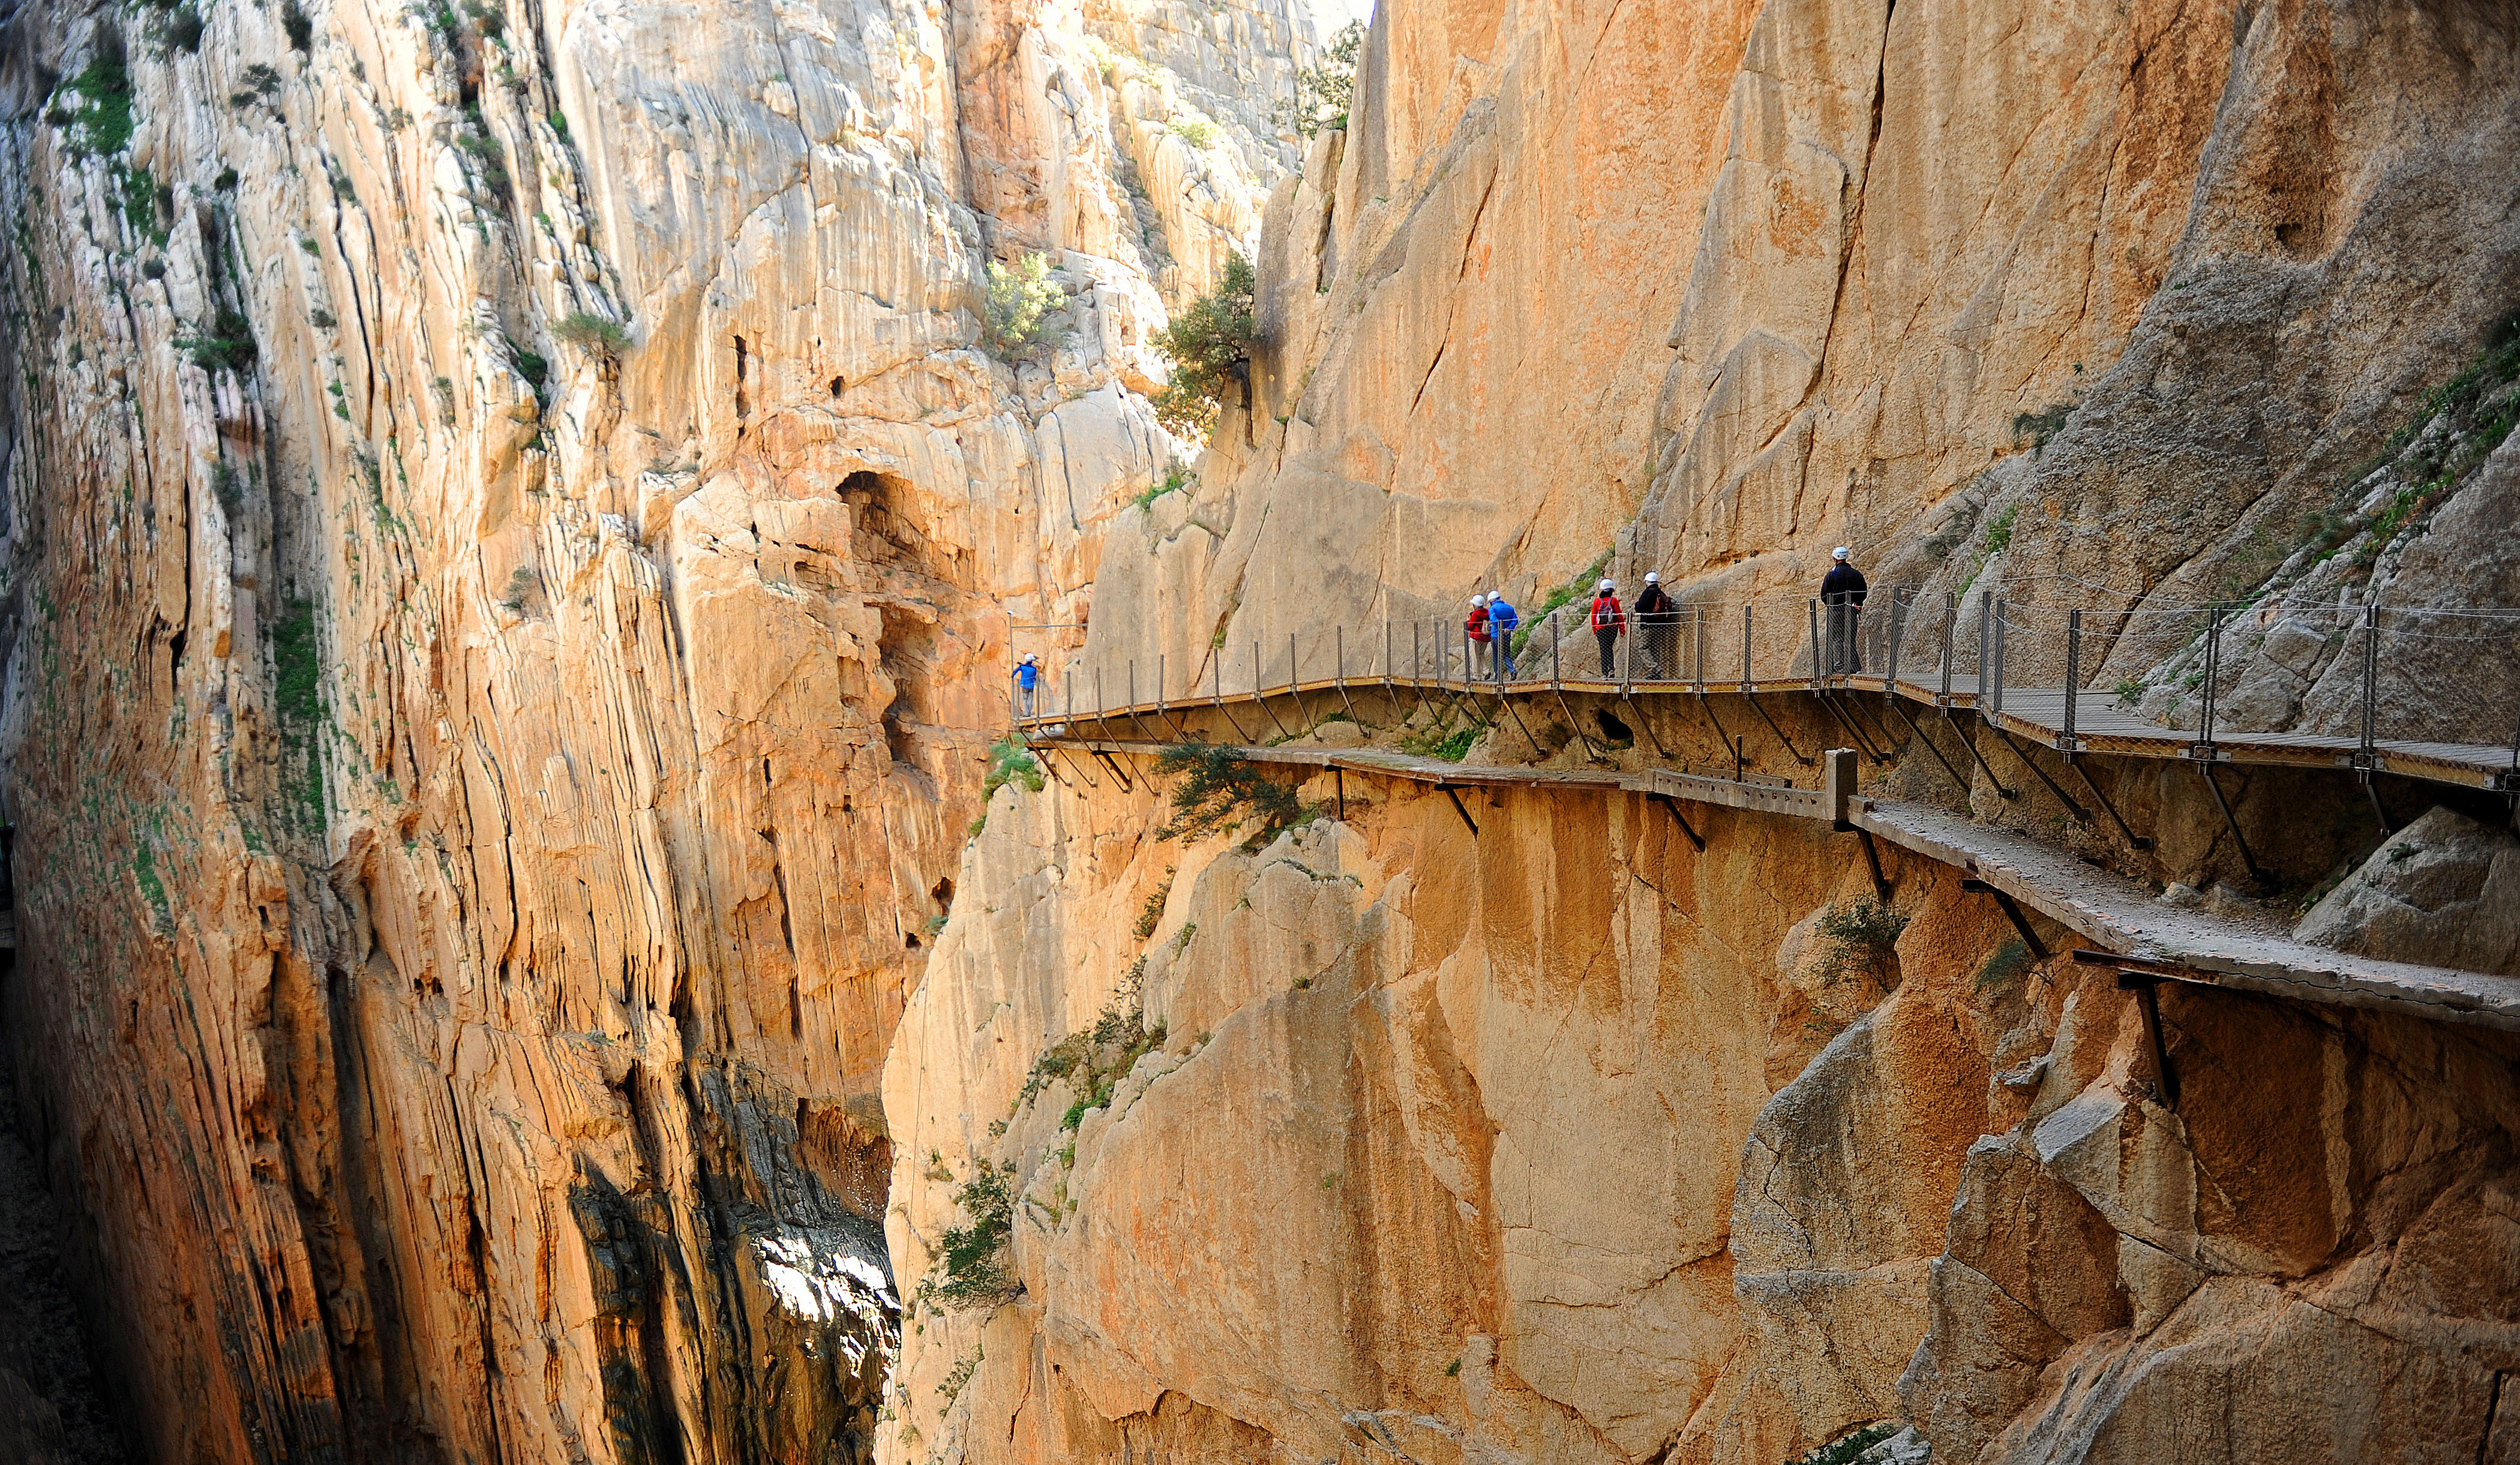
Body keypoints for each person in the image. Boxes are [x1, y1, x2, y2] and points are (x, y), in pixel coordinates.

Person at [1822, 546, 1867, 676]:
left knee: (1837, 638)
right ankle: (1855, 667)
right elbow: (1863, 592)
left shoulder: (1832, 575)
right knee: (1850, 638)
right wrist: (1857, 603)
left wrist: (1830, 604)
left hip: (1835, 610)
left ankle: (1840, 667)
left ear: (1835, 558)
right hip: (1852, 609)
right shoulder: (1856, 574)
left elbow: (1824, 594)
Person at [1634, 571, 1676, 679]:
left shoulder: (1648, 593)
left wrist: (1637, 603)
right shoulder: (1659, 592)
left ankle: (1654, 668)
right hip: (1659, 625)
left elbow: (1640, 608)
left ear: (1647, 582)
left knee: (1643, 647)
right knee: (1653, 648)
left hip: (1648, 624)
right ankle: (1655, 673)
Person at [1588, 578, 1625, 677]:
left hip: (1601, 628)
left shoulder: (1597, 601)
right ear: (1611, 590)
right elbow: (1619, 615)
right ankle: (1612, 670)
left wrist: (1595, 629)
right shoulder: (1614, 601)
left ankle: (1605, 673)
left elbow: (1593, 616)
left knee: (1603, 649)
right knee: (1609, 648)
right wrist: (1622, 629)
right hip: (1612, 628)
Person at [1485, 593, 1519, 680]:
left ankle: (1498, 675)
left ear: (1492, 601)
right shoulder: (1510, 608)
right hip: (1507, 635)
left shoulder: (1493, 609)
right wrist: (1509, 628)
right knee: (1506, 654)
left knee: (1496, 655)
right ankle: (1512, 670)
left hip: (1496, 635)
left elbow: (1494, 620)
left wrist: (1501, 628)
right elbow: (1515, 620)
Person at [1465, 593, 1492, 680]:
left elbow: (1470, 627)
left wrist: (1468, 621)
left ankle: (1477, 676)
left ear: (1476, 605)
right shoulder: (1487, 612)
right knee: (1481, 654)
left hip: (1476, 637)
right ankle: (1486, 671)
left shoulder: (1476, 614)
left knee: (1475, 656)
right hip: (1485, 637)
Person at [1013, 652, 1040, 717]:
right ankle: (1030, 712)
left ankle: (1026, 713)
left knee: (1025, 699)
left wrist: (1012, 676)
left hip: (1025, 685)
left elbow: (1015, 671)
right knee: (1030, 699)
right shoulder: (1034, 669)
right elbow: (1034, 676)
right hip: (1031, 686)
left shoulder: (1022, 667)